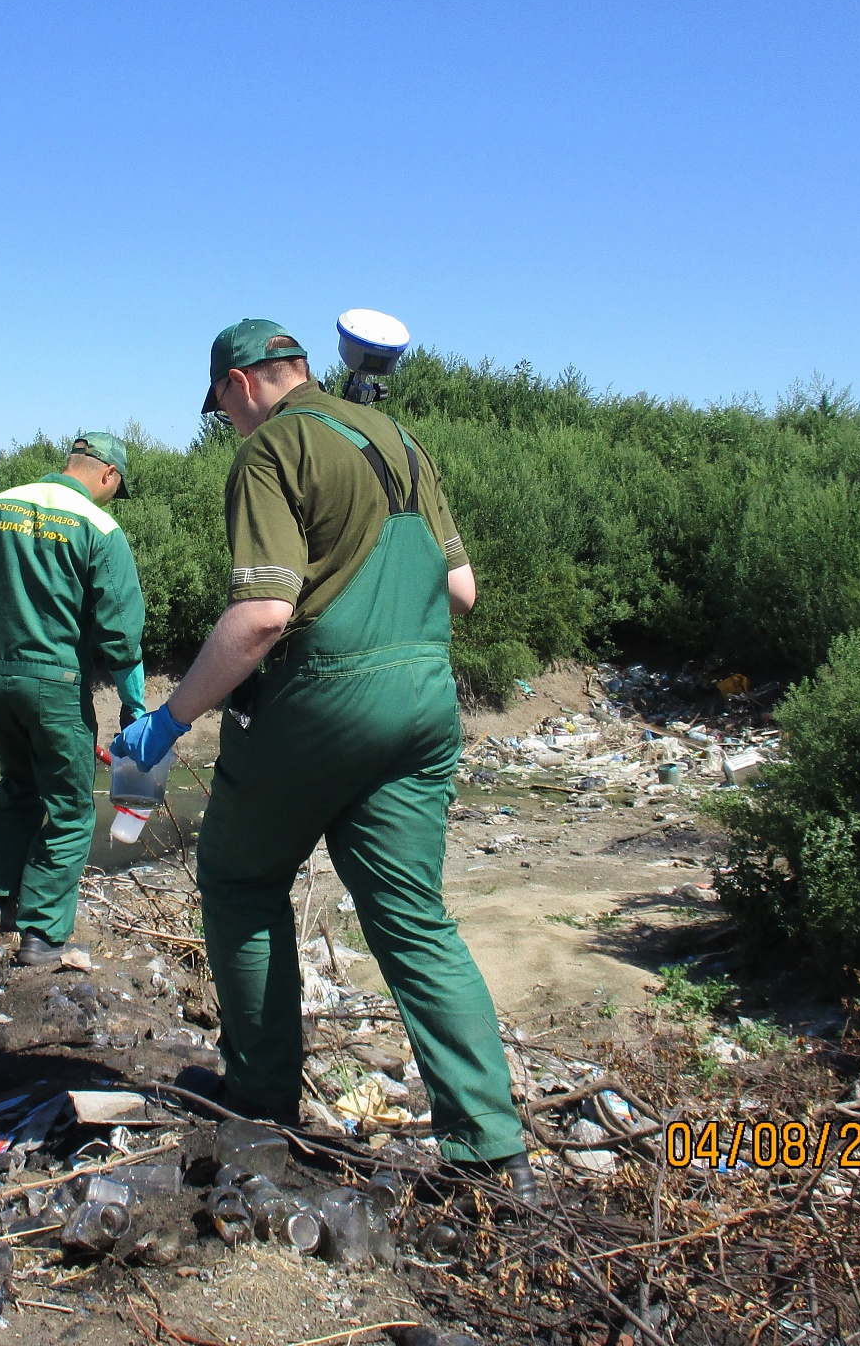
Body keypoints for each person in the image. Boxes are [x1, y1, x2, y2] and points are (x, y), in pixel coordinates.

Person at [113, 320, 532, 1197]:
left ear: (241, 384)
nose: (227, 425)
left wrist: (171, 718)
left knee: (237, 879)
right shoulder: (402, 441)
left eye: (222, 408)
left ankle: (262, 1108)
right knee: (412, 917)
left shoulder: (273, 448)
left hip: (324, 697)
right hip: (424, 700)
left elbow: (263, 615)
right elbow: (462, 591)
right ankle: (492, 1154)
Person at [0, 431, 146, 967]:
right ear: (108, 475)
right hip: (56, 687)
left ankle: (2, 903)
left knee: (17, 783)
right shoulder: (100, 528)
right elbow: (121, 634)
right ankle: (44, 937)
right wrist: (134, 707)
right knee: (71, 810)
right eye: (117, 487)